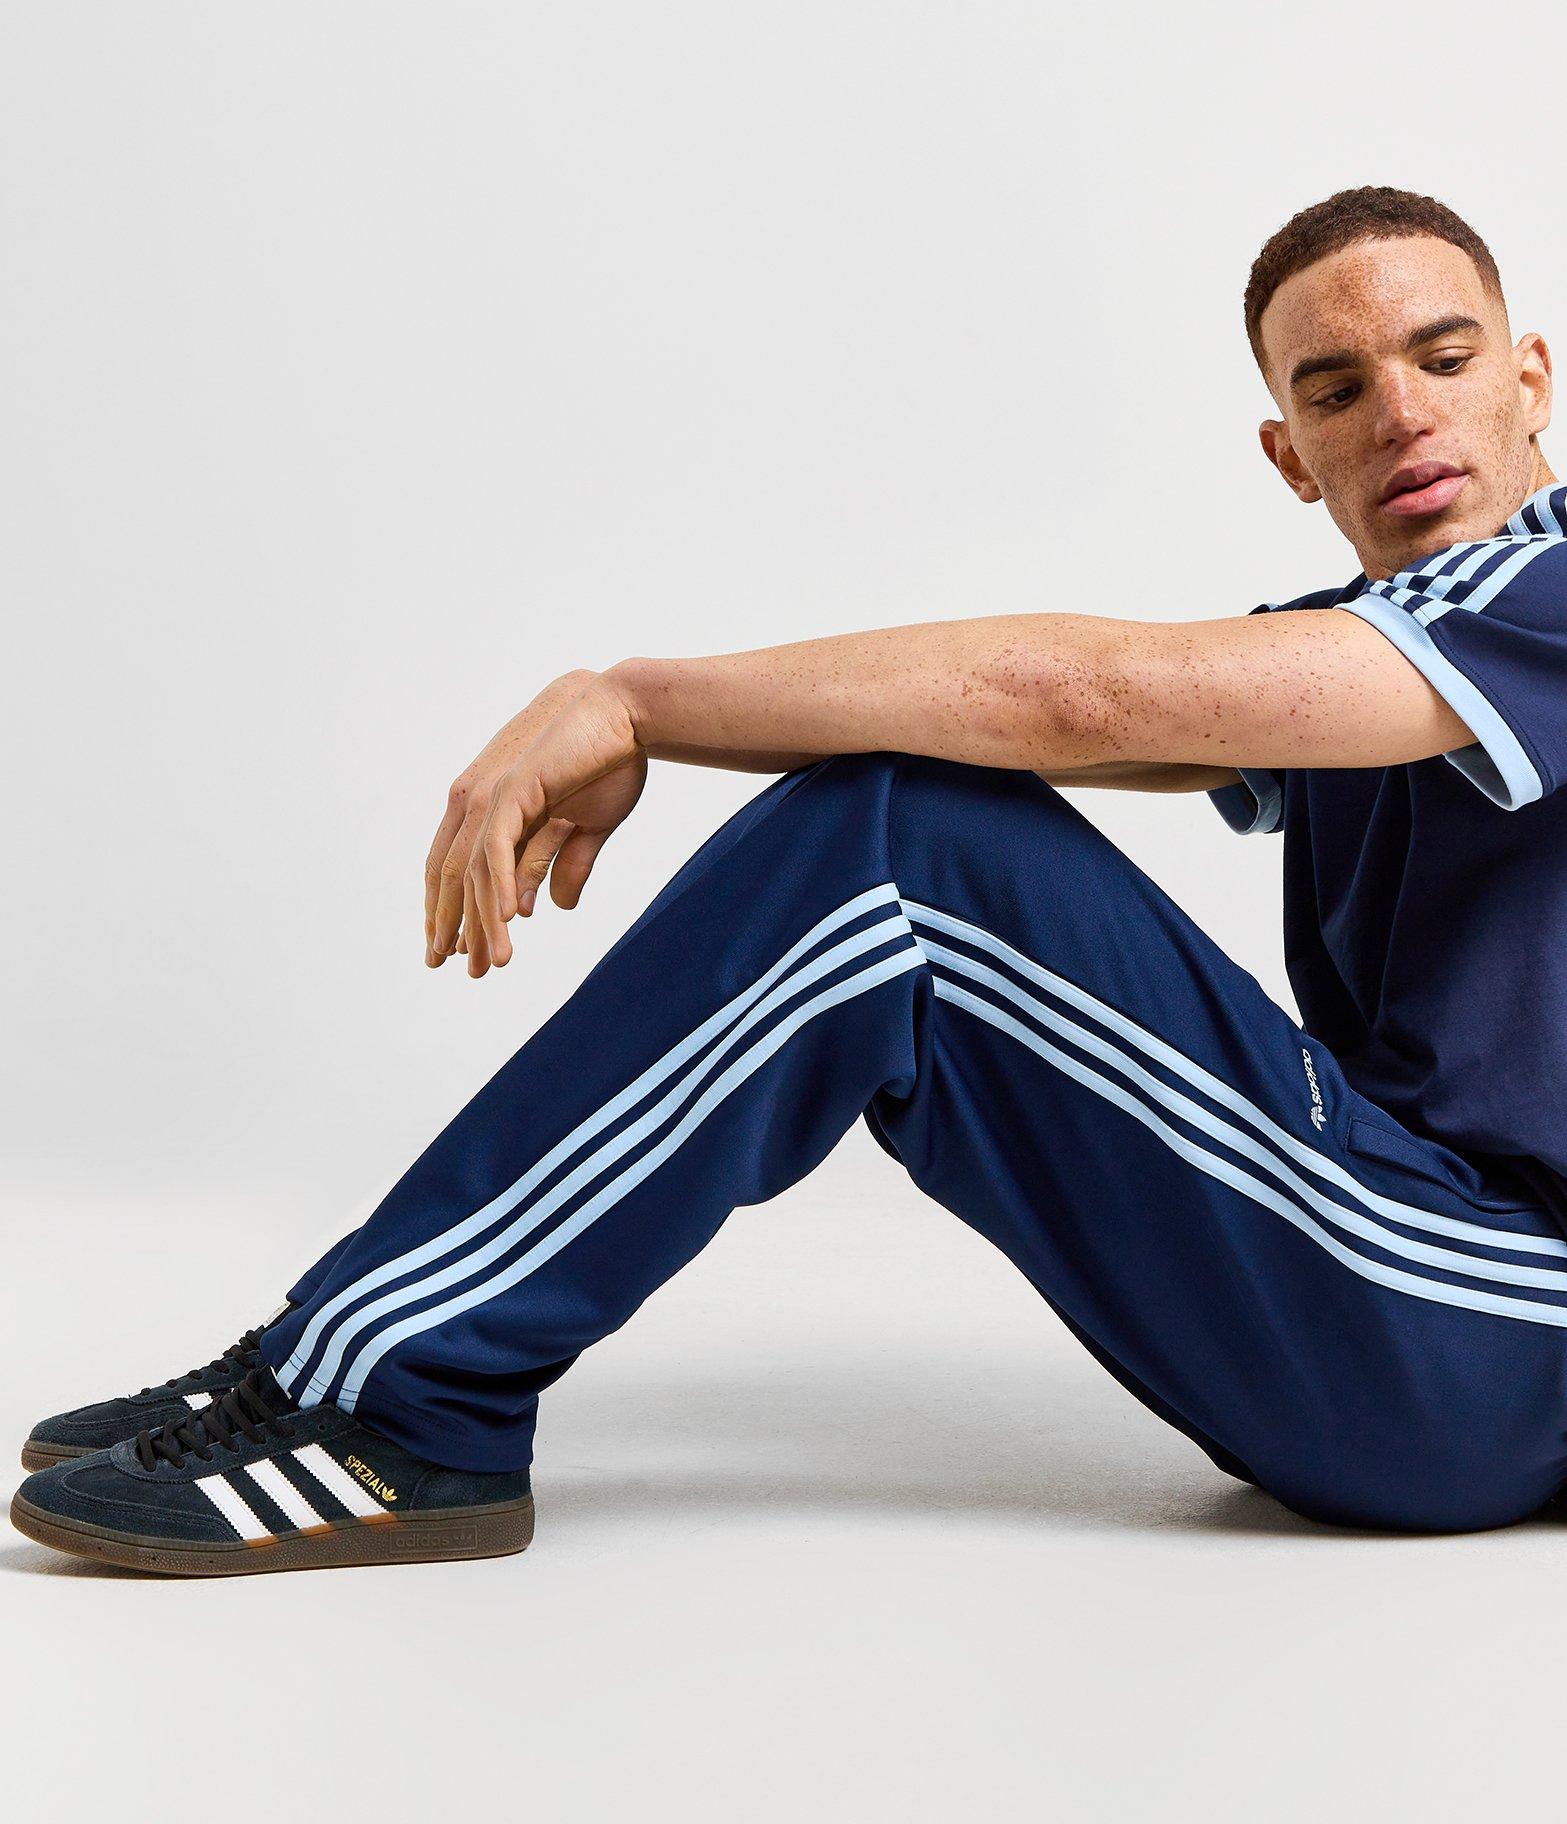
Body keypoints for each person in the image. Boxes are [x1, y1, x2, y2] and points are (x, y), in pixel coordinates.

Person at [16, 182, 1567, 1577]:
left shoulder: (1549, 594)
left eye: (1444, 359)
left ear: (1530, 378)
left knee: (900, 859)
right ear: (1289, 455)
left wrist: (631, 701)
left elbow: (1081, 700)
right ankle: (346, 1355)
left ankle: (389, 1397)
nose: (1401, 413)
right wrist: (651, 712)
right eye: (1337, 388)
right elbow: (1108, 726)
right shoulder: (1395, 646)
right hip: (1431, 1307)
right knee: (906, 818)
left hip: (1499, 1328)